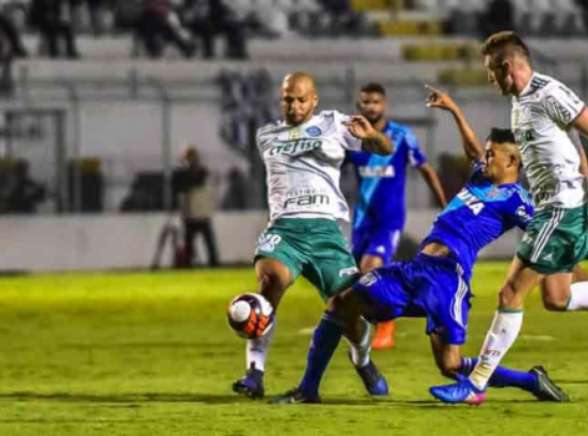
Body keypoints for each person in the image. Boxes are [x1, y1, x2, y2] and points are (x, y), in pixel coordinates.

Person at [430, 31, 588, 405]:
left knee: (511, 292)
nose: (490, 78)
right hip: (559, 205)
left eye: (492, 70)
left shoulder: (548, 93)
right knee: (557, 297)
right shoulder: (521, 101)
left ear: (507, 66)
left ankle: (475, 384)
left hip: (559, 208)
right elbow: (572, 144)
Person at [271, 125, 570, 404]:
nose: (485, 157)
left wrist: (579, 213)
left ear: (512, 162)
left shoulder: (517, 199)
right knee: (339, 305)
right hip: (413, 269)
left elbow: (546, 230)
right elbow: (471, 150)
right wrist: (453, 109)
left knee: (450, 365)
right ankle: (309, 389)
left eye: (492, 154)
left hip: (447, 278)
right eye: (486, 152)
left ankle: (530, 381)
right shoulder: (480, 176)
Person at [230, 72, 394, 400]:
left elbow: (385, 149)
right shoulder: (267, 135)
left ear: (314, 100)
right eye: (288, 99)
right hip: (285, 229)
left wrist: (372, 135)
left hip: (325, 231)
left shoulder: (334, 124)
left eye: (301, 99)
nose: (294, 105)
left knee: (348, 311)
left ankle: (362, 360)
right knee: (270, 283)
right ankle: (254, 373)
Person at [348, 82, 447, 350]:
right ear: (359, 105)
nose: (371, 107)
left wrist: (443, 203)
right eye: (366, 102)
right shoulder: (353, 139)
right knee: (356, 277)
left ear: (384, 105)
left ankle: (387, 326)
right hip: (361, 220)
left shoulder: (401, 136)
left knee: (372, 268)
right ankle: (364, 327)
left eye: (375, 102)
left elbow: (425, 168)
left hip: (389, 219)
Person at [172, 146, 219, 267]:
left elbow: (193, 180)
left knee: (206, 241)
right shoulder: (186, 173)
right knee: (192, 242)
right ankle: (190, 262)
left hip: (198, 211)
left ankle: (211, 262)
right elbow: (180, 184)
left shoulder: (200, 172)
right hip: (192, 212)